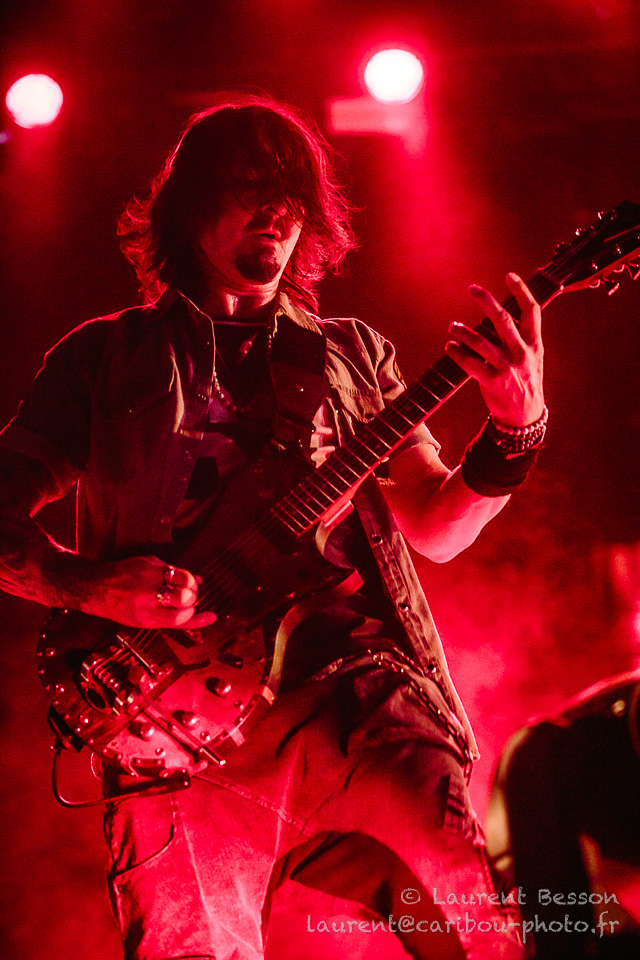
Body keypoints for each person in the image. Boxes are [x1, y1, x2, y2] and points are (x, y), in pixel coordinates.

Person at [0, 95, 545, 959]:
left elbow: (438, 525)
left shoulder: (353, 353)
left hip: (358, 702)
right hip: (171, 727)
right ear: (188, 208)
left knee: (480, 936)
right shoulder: (100, 360)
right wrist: (91, 587)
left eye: (291, 195)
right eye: (247, 185)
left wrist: (516, 429)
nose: (275, 211)